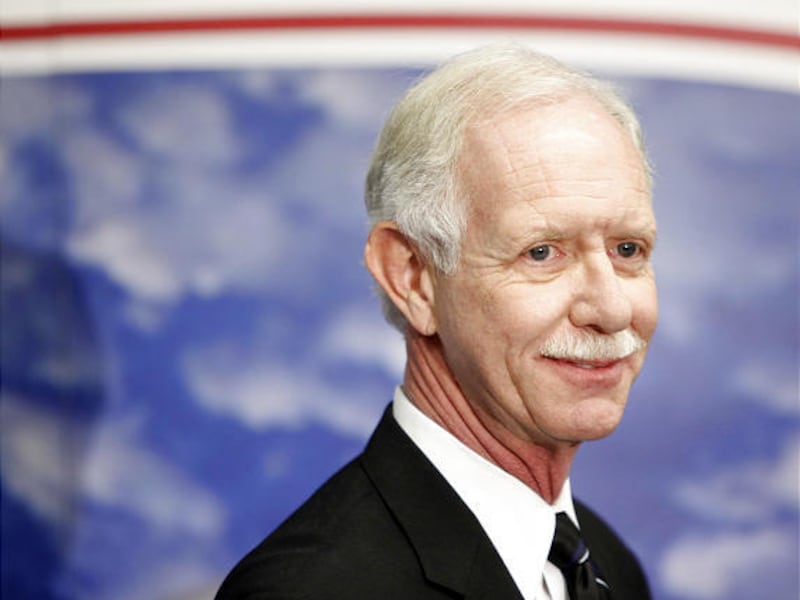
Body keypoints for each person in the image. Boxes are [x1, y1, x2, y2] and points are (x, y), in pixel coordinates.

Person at [216, 42, 656, 600]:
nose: (614, 309)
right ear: (413, 278)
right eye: (542, 253)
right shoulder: (314, 589)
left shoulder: (607, 563)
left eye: (628, 249)